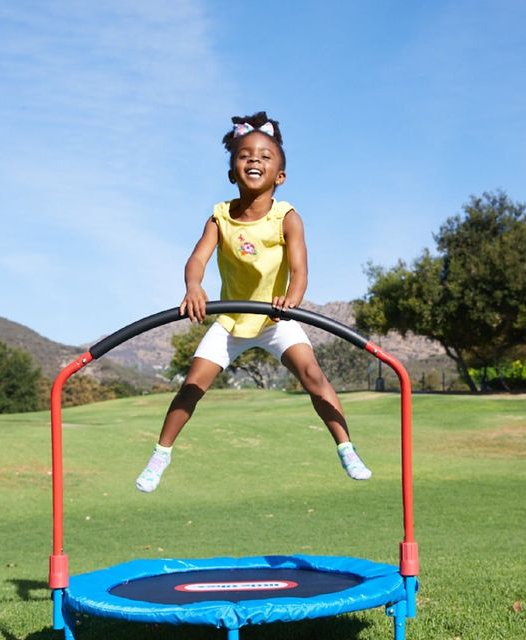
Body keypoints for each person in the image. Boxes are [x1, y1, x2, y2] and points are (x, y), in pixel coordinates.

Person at [136, 111, 371, 493]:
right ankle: (161, 454)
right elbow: (197, 259)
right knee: (192, 386)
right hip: (230, 321)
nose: (254, 160)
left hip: (275, 318)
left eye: (265, 156)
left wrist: (290, 301)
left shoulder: (287, 217)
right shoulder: (220, 217)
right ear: (232, 172)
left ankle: (346, 447)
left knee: (313, 377)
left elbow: (300, 271)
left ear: (280, 175)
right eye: (245, 155)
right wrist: (194, 287)